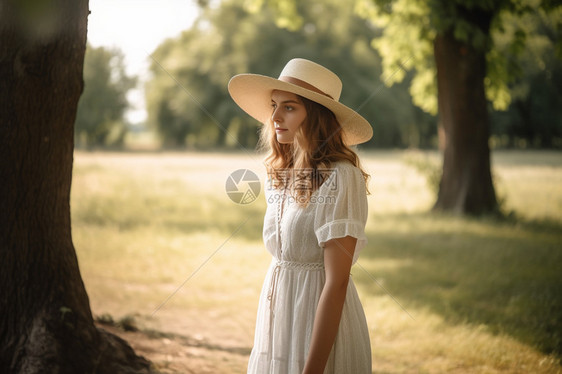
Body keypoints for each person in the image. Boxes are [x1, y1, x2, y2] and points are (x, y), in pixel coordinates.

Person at [228, 58, 373, 374]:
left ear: (317, 116)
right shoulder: (280, 174)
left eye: (289, 107)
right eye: (274, 105)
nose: (275, 116)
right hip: (279, 318)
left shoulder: (342, 177)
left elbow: (336, 282)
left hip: (318, 327)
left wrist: (313, 369)